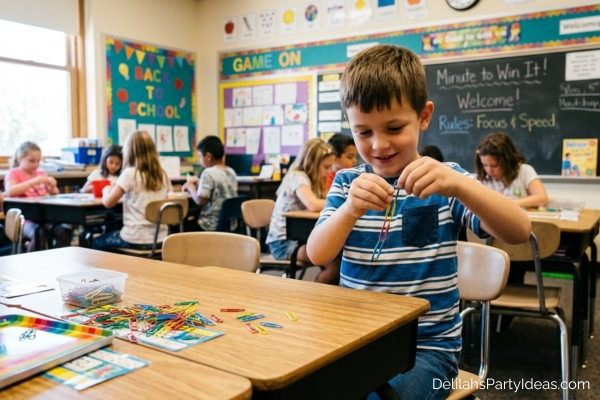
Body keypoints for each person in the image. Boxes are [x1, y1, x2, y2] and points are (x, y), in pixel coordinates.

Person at [306, 45, 530, 400]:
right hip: (351, 340)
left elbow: (520, 231)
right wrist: (349, 210)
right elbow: (317, 254)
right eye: (363, 132)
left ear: (424, 116)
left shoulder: (447, 180)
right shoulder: (349, 184)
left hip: (425, 349)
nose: (379, 144)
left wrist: (460, 185)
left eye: (394, 127)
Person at [267, 138, 340, 285]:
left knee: (337, 255)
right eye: (326, 167)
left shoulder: (313, 179)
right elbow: (313, 205)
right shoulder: (298, 176)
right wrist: (343, 202)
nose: (328, 173)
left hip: (300, 238)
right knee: (334, 264)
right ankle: (314, 304)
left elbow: (323, 200)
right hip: (283, 242)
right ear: (311, 162)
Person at [92, 131, 171, 251]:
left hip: (134, 238)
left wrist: (106, 189)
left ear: (129, 152)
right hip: (160, 239)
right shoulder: (162, 174)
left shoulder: (129, 173)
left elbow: (108, 203)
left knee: (96, 242)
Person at [4, 141, 73, 252]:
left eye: (38, 161)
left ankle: (57, 260)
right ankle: (31, 265)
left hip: (45, 217)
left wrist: (53, 187)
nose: (36, 164)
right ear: (20, 158)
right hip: (25, 219)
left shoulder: (40, 173)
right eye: (31, 161)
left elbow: (54, 195)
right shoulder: (14, 173)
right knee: (39, 234)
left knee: (65, 231)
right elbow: (10, 191)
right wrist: (32, 181)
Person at [475, 132, 549, 208]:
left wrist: (507, 204)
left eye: (494, 166)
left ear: (507, 161)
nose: (489, 171)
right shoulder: (484, 179)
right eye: (485, 165)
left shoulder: (524, 171)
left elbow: (542, 199)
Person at [181, 136, 237, 231]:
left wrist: (190, 187)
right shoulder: (231, 171)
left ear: (208, 157)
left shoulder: (208, 172)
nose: (199, 160)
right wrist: (201, 183)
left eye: (200, 156)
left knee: (178, 229)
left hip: (210, 226)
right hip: (230, 226)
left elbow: (200, 201)